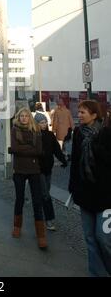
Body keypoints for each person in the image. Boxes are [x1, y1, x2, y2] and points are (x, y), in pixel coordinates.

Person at [68, 100, 111, 277]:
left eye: (83, 112)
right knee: (90, 238)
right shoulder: (78, 133)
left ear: (94, 114)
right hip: (85, 193)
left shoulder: (106, 133)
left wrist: (95, 147)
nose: (79, 114)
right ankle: (97, 273)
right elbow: (75, 161)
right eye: (79, 111)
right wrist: (73, 186)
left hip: (105, 195)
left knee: (104, 238)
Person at [9, 107, 47, 249]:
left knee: (37, 201)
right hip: (19, 169)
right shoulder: (14, 130)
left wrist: (21, 148)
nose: (24, 118)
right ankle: (17, 226)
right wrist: (27, 148)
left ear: (29, 118)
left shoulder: (36, 130)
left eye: (26, 116)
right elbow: (14, 148)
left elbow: (38, 150)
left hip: (33, 169)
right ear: (18, 118)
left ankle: (41, 234)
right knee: (19, 198)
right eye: (21, 116)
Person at [34, 112, 67, 231]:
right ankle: (49, 220)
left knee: (45, 192)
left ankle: (40, 211)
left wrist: (63, 160)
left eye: (45, 122)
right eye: (41, 123)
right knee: (46, 194)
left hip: (48, 168)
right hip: (38, 169)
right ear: (36, 124)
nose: (44, 124)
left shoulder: (50, 135)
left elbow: (56, 150)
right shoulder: (34, 135)